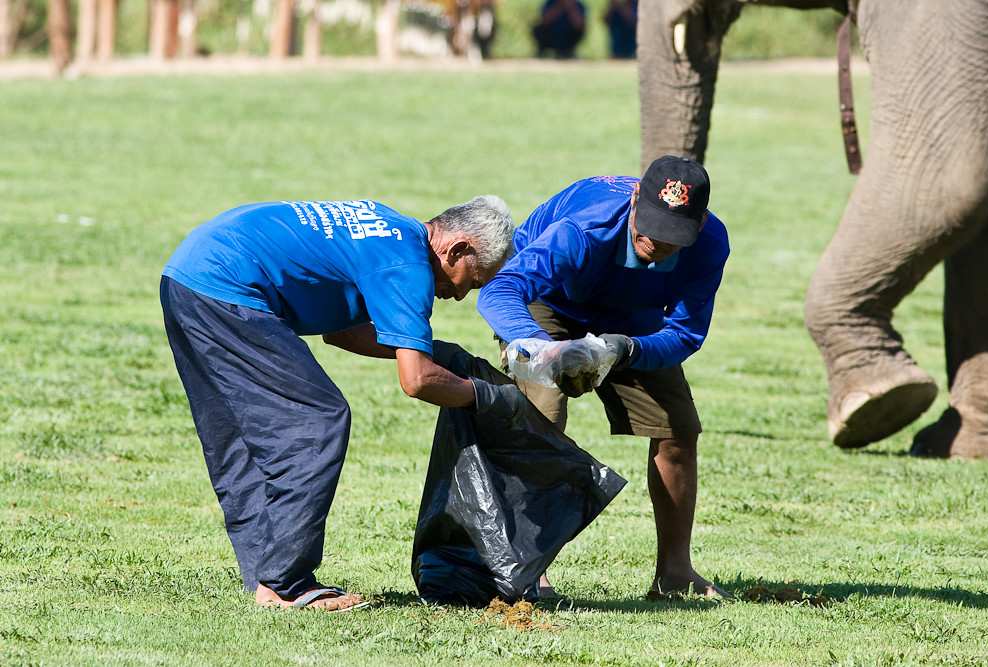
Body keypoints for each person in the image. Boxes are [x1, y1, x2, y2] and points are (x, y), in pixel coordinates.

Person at [161, 196, 527, 612]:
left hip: (187, 274)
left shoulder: (391, 230)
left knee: (241, 437)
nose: (461, 295)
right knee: (316, 421)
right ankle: (286, 584)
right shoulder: (406, 264)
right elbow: (417, 380)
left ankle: (269, 581)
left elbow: (345, 334)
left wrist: (435, 351)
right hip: (230, 287)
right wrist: (491, 396)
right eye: (472, 280)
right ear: (458, 249)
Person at [477, 156, 731, 599]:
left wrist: (624, 349)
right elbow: (501, 289)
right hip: (548, 303)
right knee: (543, 416)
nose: (656, 241)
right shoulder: (584, 230)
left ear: (701, 221)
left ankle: (675, 573)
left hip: (632, 319)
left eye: (674, 236)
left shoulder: (709, 244)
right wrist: (540, 346)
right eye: (649, 226)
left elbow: (685, 333)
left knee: (677, 429)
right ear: (635, 199)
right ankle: (527, 571)